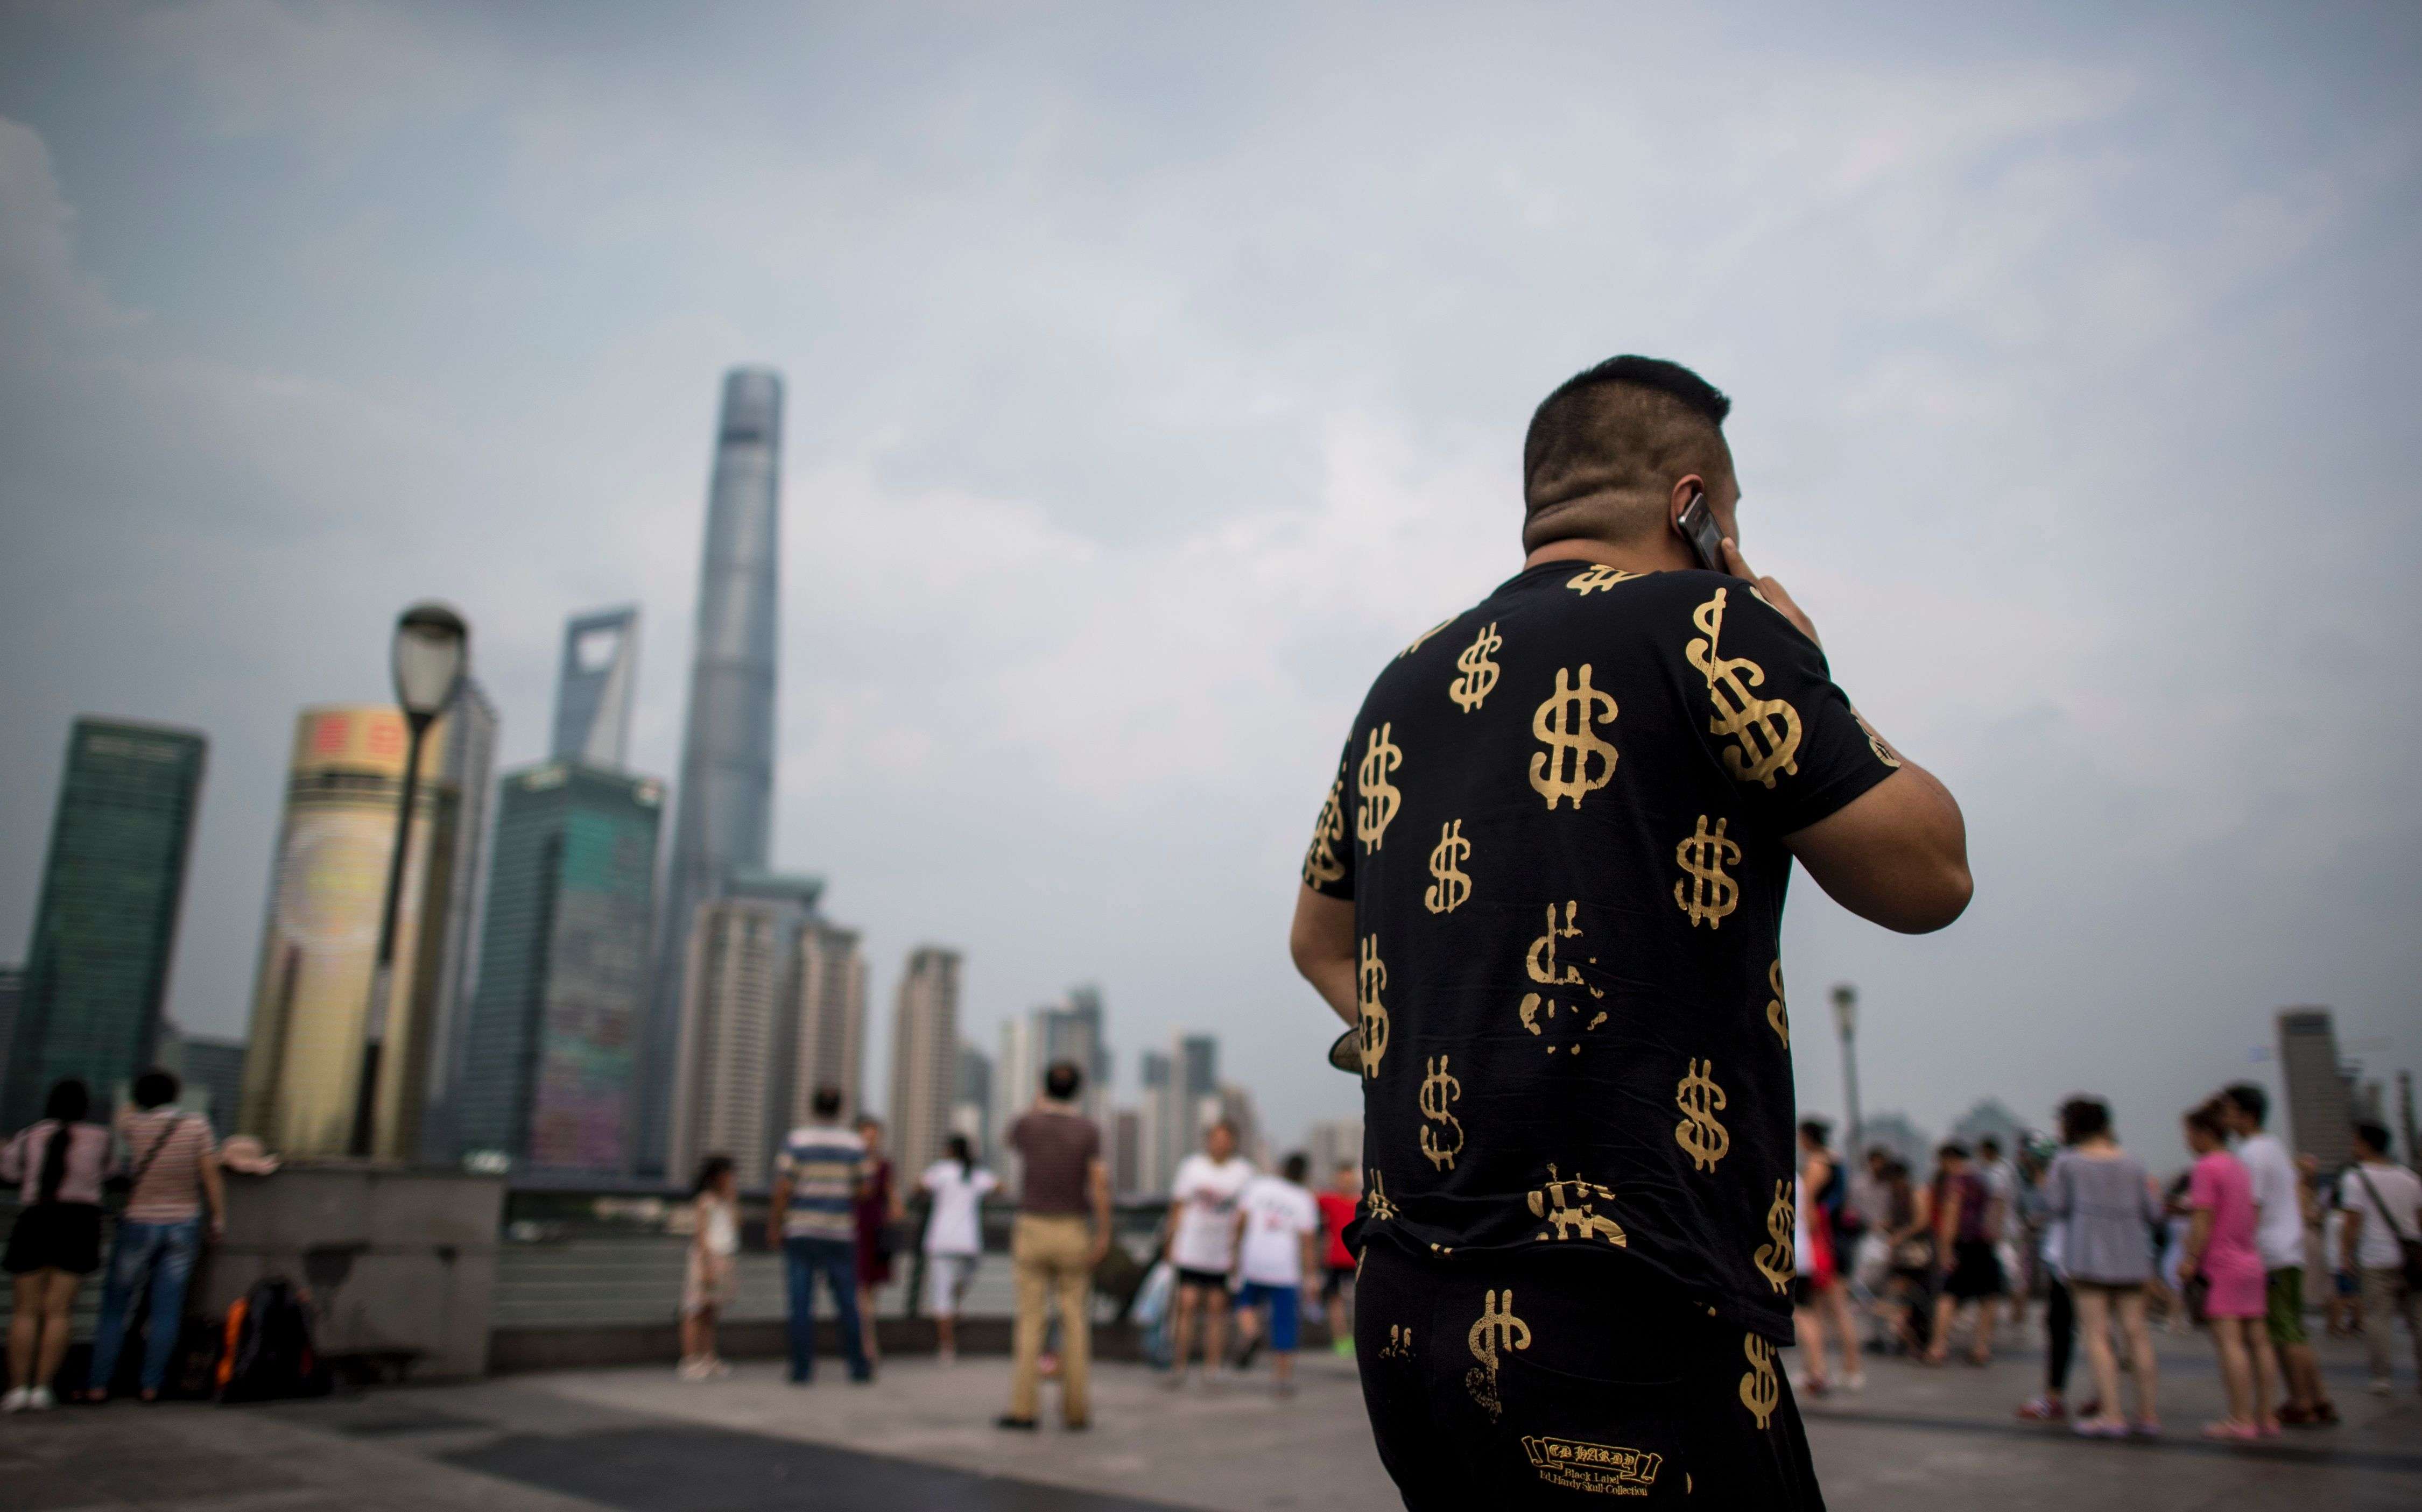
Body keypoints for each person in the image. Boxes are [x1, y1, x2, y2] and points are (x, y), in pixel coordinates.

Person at [1288, 355, 1971, 1508]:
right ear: (1691, 505)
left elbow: (1320, 936)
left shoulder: (1399, 681)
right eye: (1732, 517)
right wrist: (1807, 666)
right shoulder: (1708, 623)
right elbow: (1930, 875)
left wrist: (1448, 1028)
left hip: (1408, 1305)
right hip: (1632, 1295)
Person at [84, 1068, 224, 1403]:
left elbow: (124, 1115)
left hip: (137, 1223)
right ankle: (151, 1385)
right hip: (183, 1223)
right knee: (166, 1310)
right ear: (176, 1094)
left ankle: (98, 1385)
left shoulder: (134, 1126)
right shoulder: (197, 1126)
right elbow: (211, 1177)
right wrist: (218, 1218)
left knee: (115, 1308)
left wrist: (137, 1102)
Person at [998, 1059, 1110, 1431]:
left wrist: (1036, 1106)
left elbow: (1006, 1139)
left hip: (1032, 1227)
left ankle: (1024, 1410)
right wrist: (1104, 1232)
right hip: (1073, 1229)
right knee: (1075, 1322)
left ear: (1044, 1088)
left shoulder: (1028, 1124)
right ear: (1078, 1091)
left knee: (1030, 1321)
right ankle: (1076, 1411)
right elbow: (1098, 1184)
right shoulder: (1089, 1130)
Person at [2041, 1096, 2162, 1437]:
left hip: (2088, 1257)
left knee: (2097, 1336)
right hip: (2132, 1257)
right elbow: (2153, 1213)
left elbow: (2056, 1206)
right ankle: (2148, 1414)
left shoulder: (2068, 1164)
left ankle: (2112, 1414)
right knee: (2137, 1334)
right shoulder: (2134, 1163)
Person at [2220, 1083, 2335, 1425]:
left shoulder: (2252, 1154)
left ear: (2247, 1115)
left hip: (2271, 1252)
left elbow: (2249, 1209)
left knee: (2283, 1332)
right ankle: (2318, 1398)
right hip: (2289, 1249)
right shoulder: (2273, 1147)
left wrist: (2236, 1251)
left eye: (2229, 1111)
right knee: (2293, 1329)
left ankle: (2302, 1403)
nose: (2225, 1119)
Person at [2, 1080, 115, 1413]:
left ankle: (17, 1387)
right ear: (85, 1106)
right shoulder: (100, 1138)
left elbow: (9, 1172)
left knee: (25, 1310)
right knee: (59, 1311)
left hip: (35, 1219)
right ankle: (43, 1388)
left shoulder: (29, 1136)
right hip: (78, 1223)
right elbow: (111, 1173)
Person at [2180, 1097, 2271, 1439]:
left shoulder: (2206, 1168)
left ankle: (2240, 1419)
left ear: (2204, 1133)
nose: (2188, 1142)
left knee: (2230, 1344)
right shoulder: (2238, 1166)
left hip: (2222, 1265)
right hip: (2251, 1262)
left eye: (2189, 1134)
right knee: (2259, 1343)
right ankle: (2266, 1417)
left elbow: (2202, 1220)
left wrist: (2190, 1260)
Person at [769, 1086, 872, 1386]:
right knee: (847, 1303)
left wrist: (775, 1225)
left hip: (801, 1229)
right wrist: (839, 1191)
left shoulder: (797, 1140)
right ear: (840, 1109)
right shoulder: (853, 1144)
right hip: (840, 1232)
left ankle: (802, 1369)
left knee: (801, 1303)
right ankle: (858, 1366)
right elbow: (865, 1189)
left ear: (813, 1107)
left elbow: (783, 1187)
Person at [1162, 1119, 1252, 1390]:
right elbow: (1177, 1207)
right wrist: (1170, 1243)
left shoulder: (1244, 1172)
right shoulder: (1191, 1168)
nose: (1220, 1143)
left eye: (1225, 1138)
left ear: (1233, 1142)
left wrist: (1237, 1252)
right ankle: (1179, 1365)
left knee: (1217, 1310)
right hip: (1191, 1249)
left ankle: (1212, 1368)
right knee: (1186, 1305)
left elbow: (1244, 1216)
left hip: (1220, 1254)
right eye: (1215, 1138)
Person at [2334, 1120, 2421, 1396]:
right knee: (2418, 1318)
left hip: (2375, 1259)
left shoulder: (2355, 1178)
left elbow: (2352, 1222)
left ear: (2366, 1144)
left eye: (2355, 1141)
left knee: (2378, 1319)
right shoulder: (2410, 1178)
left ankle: (2382, 1377)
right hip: (2412, 1260)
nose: (2353, 1147)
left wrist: (2345, 1255)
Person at [1232, 1152, 1322, 1396]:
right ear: (1304, 1174)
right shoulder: (1305, 1199)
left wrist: (1234, 1253)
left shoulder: (1259, 1186)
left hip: (1254, 1261)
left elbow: (1239, 1221)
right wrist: (1311, 1277)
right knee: (1284, 1325)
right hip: (1285, 1269)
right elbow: (1308, 1244)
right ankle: (1282, 1378)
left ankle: (1251, 1332)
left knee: (1244, 1303)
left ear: (1282, 1169)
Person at [1791, 1120, 1861, 1394]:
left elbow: (1807, 1206)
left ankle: (1848, 1367)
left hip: (1824, 1243)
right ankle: (1821, 1368)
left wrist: (1808, 1240)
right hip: (1838, 1239)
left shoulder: (1817, 1164)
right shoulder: (1837, 1161)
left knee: (1832, 1308)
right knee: (1822, 1309)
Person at [920, 1133, 998, 1363]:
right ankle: (952, 1320)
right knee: (955, 1292)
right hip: (968, 1243)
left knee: (942, 1298)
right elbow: (1001, 1186)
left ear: (949, 1151)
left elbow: (919, 1185)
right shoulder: (976, 1173)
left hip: (941, 1241)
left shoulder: (941, 1171)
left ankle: (946, 1347)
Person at [1927, 1143, 2004, 1365]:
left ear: (1950, 1159)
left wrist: (1945, 1250)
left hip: (1963, 1244)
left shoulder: (1957, 1182)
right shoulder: (1983, 1178)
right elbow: (1998, 1208)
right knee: (1988, 1296)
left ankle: (1938, 1347)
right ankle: (1982, 1348)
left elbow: (1951, 1215)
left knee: (1948, 1294)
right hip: (1985, 1244)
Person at [679, 1154, 738, 1380]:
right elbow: (701, 1236)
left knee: (712, 1311)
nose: (732, 1179)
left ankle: (709, 1357)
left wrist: (732, 1201)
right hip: (707, 1258)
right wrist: (705, 1267)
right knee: (695, 1309)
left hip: (724, 1256)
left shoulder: (725, 1201)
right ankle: (689, 1360)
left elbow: (735, 1227)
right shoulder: (705, 1201)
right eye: (729, 1174)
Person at [852, 1114, 902, 1368]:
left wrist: (894, 1211)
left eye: (874, 1136)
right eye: (865, 1135)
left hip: (876, 1232)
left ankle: (863, 1341)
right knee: (860, 1290)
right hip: (854, 1230)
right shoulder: (851, 1164)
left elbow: (894, 1200)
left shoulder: (885, 1165)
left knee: (871, 1292)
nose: (870, 1141)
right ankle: (868, 1344)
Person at [1976, 1136, 2024, 1333]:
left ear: (1988, 1152)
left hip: (2001, 1231)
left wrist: (1992, 1230)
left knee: (2010, 1272)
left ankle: (2017, 1310)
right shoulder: (2003, 1170)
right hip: (2003, 1229)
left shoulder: (1998, 1173)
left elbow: (1999, 1203)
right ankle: (2013, 1311)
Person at [1315, 1162, 1361, 1359]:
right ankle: (1341, 1339)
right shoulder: (1327, 1200)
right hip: (1334, 1260)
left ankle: (1359, 1337)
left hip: (1357, 1259)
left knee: (1360, 1301)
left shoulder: (1362, 1202)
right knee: (1335, 1301)